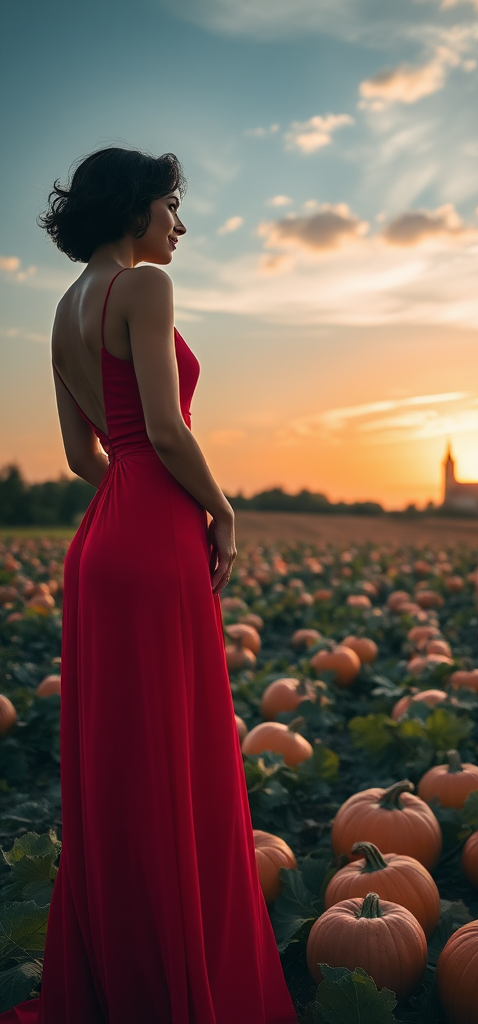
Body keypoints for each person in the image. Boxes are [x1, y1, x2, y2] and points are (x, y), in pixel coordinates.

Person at [0, 146, 298, 1024]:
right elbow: (165, 430)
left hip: (99, 542)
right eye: (171, 206)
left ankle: (122, 971)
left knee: (125, 765)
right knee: (177, 752)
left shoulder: (60, 312)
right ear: (137, 210)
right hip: (154, 531)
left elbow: (78, 456)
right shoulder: (143, 288)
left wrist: (128, 500)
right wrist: (221, 512)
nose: (180, 224)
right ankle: (182, 982)